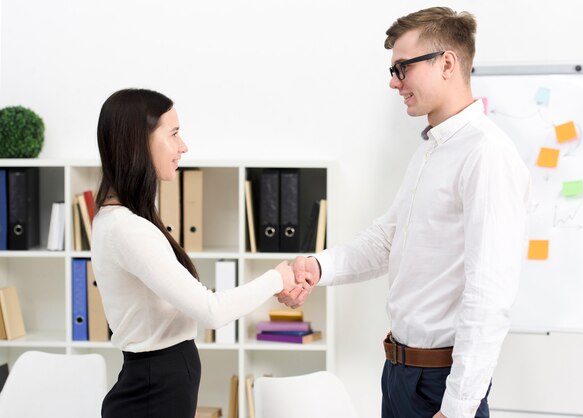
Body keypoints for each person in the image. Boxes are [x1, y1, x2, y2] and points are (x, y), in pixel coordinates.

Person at [278, 7, 531, 418]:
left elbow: (489, 293)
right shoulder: (432, 149)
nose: (394, 82)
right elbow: (387, 239)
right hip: (399, 375)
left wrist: (459, 407)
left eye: (402, 68)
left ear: (447, 63)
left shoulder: (486, 155)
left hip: (441, 386)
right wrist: (316, 267)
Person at [91, 88, 298, 418]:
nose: (183, 146)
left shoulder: (125, 221)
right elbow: (211, 310)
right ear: (137, 142)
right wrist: (279, 277)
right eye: (173, 134)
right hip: (152, 390)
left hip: (157, 384)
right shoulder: (126, 229)